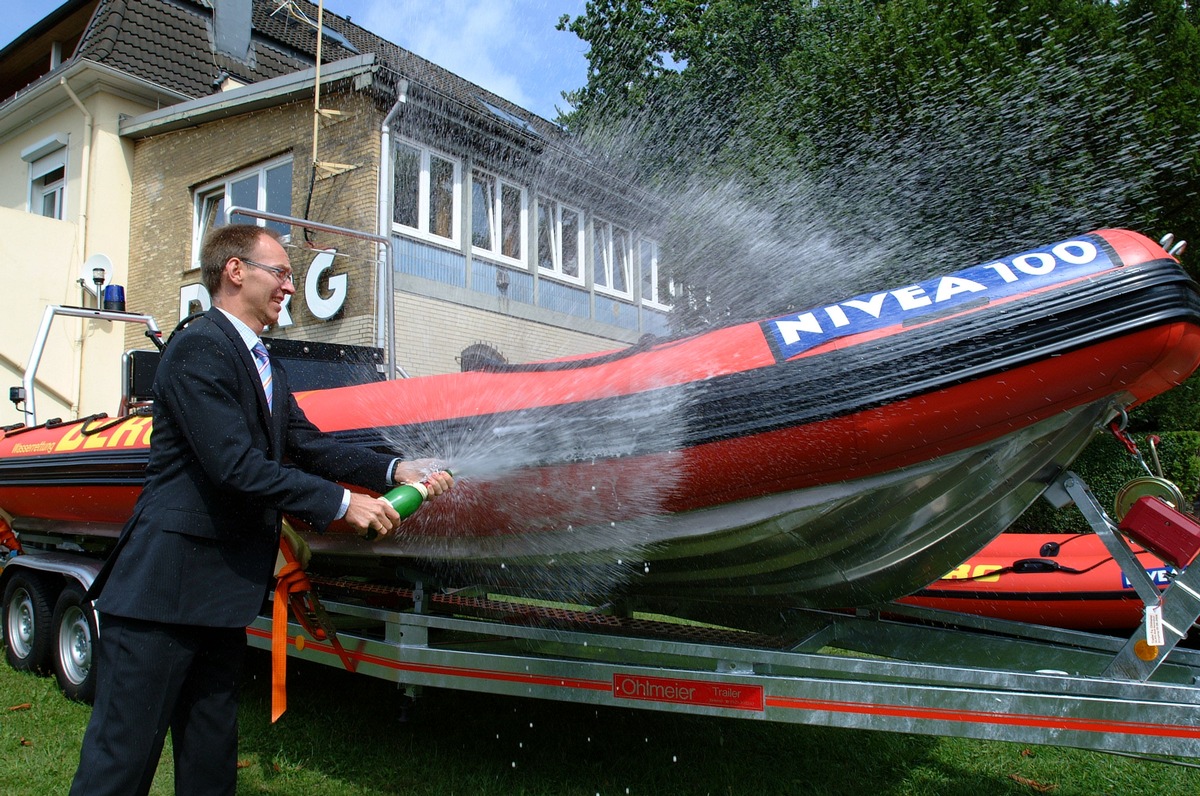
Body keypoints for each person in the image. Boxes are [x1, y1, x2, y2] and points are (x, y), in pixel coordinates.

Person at [69, 224, 452, 796]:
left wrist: (396, 470)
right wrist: (343, 504)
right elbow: (234, 465)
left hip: (219, 598)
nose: (291, 288)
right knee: (120, 765)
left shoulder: (260, 358)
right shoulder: (199, 346)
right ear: (235, 271)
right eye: (281, 273)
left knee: (210, 761)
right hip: (162, 596)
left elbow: (308, 443)